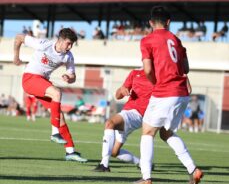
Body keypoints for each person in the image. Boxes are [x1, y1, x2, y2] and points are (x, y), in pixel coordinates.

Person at [134, 6, 203, 184]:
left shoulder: (147, 40)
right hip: (181, 93)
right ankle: (193, 169)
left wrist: (156, 82)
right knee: (166, 133)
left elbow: (148, 69)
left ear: (150, 22)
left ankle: (146, 178)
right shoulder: (177, 40)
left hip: (164, 92)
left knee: (148, 132)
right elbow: (186, 69)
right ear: (168, 22)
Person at [13, 28, 87, 162]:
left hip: (42, 82)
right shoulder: (43, 44)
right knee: (57, 93)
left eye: (71, 45)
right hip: (30, 79)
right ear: (60, 40)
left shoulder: (68, 56)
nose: (70, 47)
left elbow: (73, 75)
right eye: (68, 43)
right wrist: (16, 56)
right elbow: (19, 37)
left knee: (60, 115)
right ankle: (54, 133)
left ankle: (70, 151)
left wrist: (69, 78)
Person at [93, 68, 154, 172]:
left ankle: (104, 164)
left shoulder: (159, 75)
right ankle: (141, 163)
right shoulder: (135, 73)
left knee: (110, 123)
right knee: (114, 151)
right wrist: (122, 89)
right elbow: (117, 95)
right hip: (127, 113)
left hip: (139, 114)